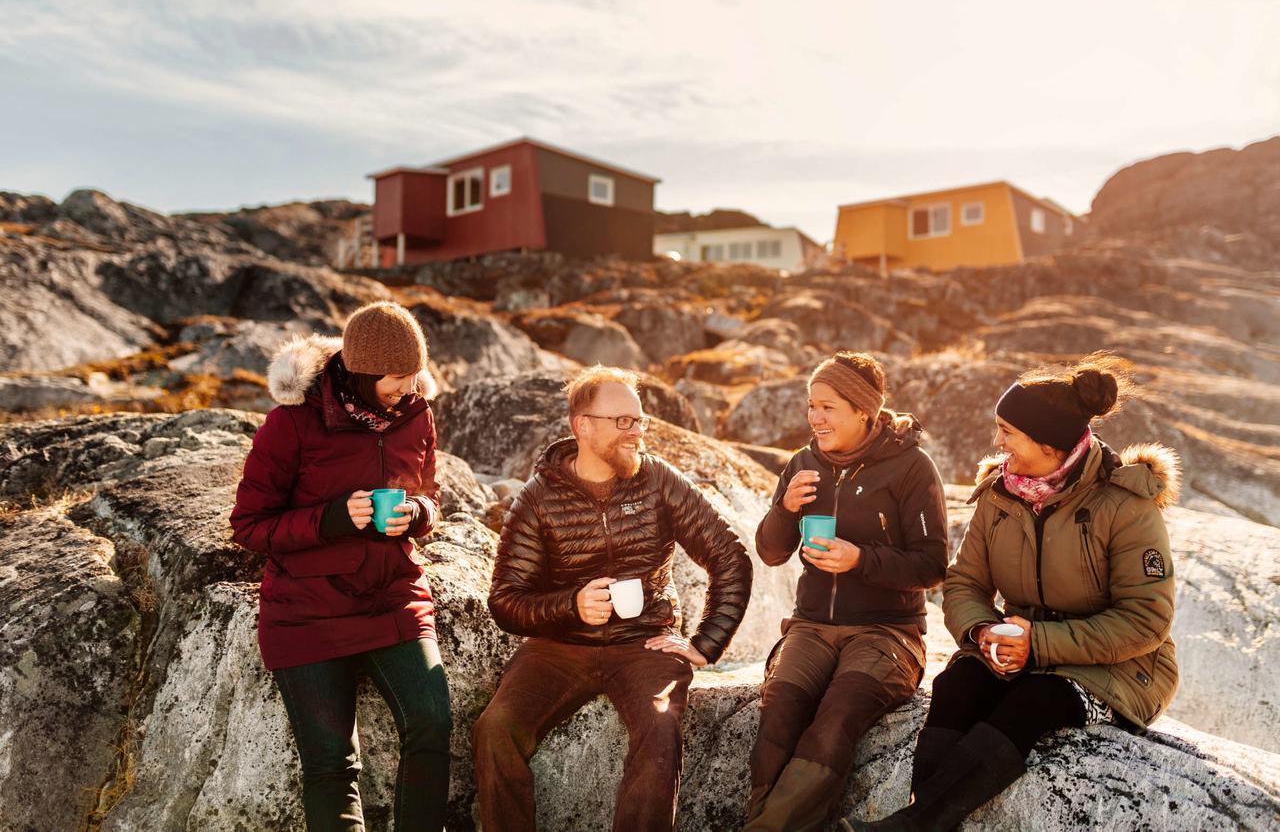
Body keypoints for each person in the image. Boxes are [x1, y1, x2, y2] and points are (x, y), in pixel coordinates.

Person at [847, 353, 1180, 832]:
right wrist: (982, 630)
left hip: (1118, 666)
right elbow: (965, 582)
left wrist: (1038, 643)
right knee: (956, 686)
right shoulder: (1001, 494)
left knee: (1032, 705)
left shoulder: (1126, 504)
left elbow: (1146, 620)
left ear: (1047, 443)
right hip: (1017, 649)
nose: (997, 442)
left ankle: (915, 825)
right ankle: (924, 819)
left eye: (1007, 431)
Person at [472, 365, 754, 832]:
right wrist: (570, 606)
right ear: (583, 426)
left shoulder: (658, 480)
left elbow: (731, 558)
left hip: (646, 643)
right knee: (495, 728)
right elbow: (505, 600)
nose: (636, 432)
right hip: (557, 647)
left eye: (639, 421)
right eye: (622, 421)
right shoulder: (537, 498)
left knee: (661, 726)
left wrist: (705, 644)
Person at [230, 301, 451, 832]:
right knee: (331, 764)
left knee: (432, 723)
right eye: (397, 378)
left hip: (393, 599)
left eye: (415, 375)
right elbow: (249, 527)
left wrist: (416, 515)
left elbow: (431, 496)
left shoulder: (416, 414)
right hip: (307, 614)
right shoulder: (293, 423)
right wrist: (331, 518)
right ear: (364, 371)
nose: (409, 387)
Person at [745, 352, 949, 831]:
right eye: (811, 406)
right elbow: (771, 552)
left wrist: (861, 559)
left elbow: (933, 565)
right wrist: (786, 509)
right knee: (778, 710)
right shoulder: (802, 463)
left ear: (863, 410)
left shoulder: (911, 468)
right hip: (812, 626)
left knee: (836, 716)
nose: (815, 418)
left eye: (828, 407)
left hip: (887, 632)